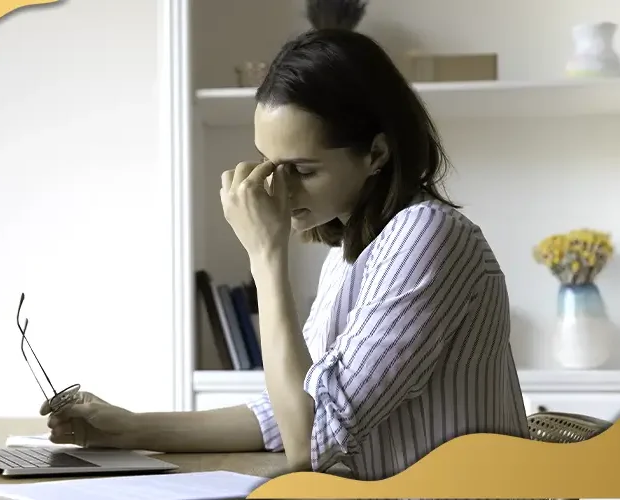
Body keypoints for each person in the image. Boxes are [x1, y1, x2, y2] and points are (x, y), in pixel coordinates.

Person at [41, 28, 530, 480]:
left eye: (302, 169)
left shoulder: (427, 234)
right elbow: (287, 412)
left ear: (376, 154)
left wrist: (265, 257)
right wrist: (125, 428)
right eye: (270, 163)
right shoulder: (350, 255)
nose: (277, 187)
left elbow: (310, 443)